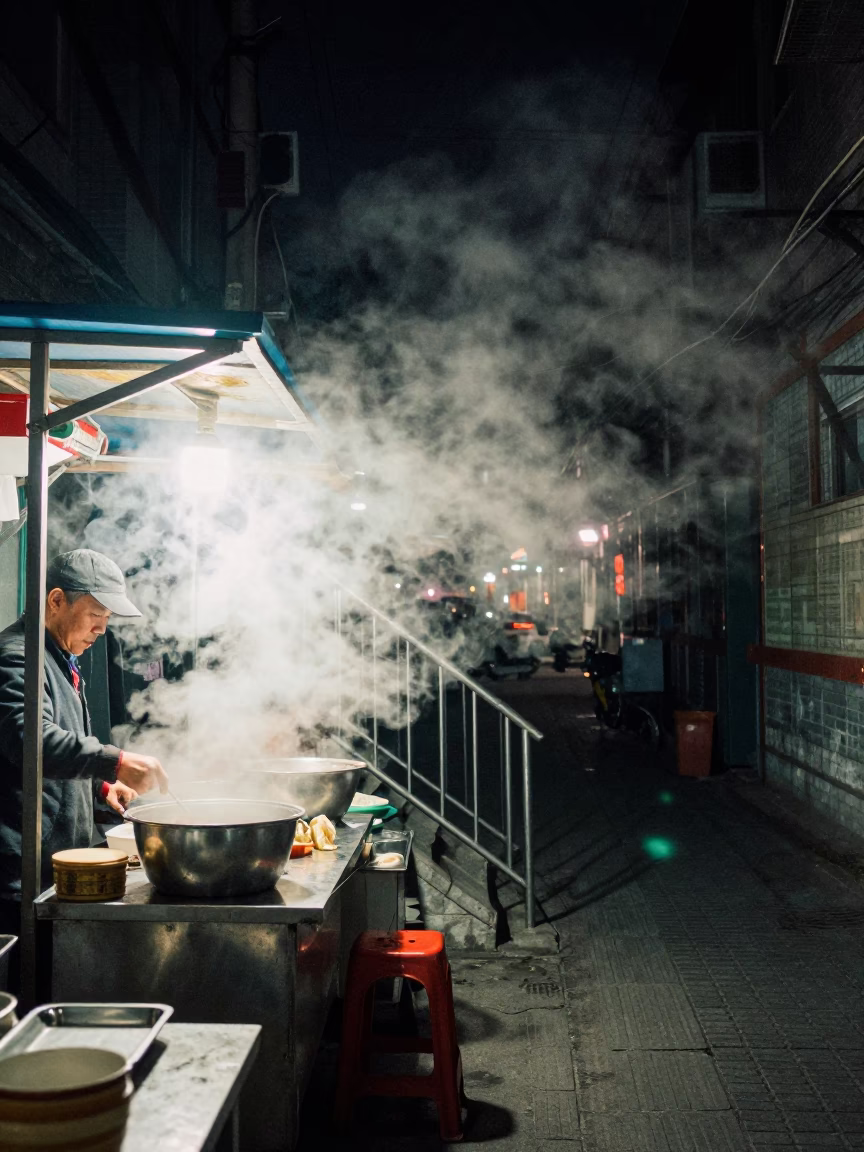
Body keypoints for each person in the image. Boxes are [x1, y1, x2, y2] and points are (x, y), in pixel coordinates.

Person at [0, 549, 168, 979]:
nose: (101, 628)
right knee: (27, 996)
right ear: (56, 600)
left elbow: (57, 756)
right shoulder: (18, 655)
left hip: (57, 867)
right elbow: (29, 740)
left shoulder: (60, 658)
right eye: (95, 614)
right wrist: (114, 762)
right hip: (20, 879)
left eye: (107, 617)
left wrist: (100, 787)